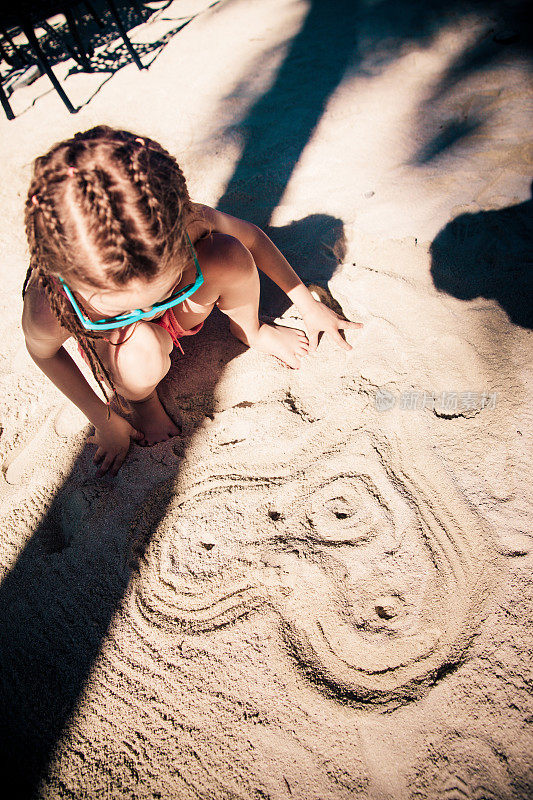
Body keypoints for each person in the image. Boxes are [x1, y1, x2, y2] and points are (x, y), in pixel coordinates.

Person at [22, 126, 362, 477]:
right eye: (123, 308)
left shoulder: (187, 222)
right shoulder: (50, 302)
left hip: (178, 308)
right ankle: (142, 401)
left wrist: (307, 304)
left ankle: (251, 330)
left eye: (156, 295)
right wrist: (103, 418)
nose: (144, 313)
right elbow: (43, 351)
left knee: (229, 254)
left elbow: (254, 241)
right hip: (117, 343)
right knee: (141, 350)